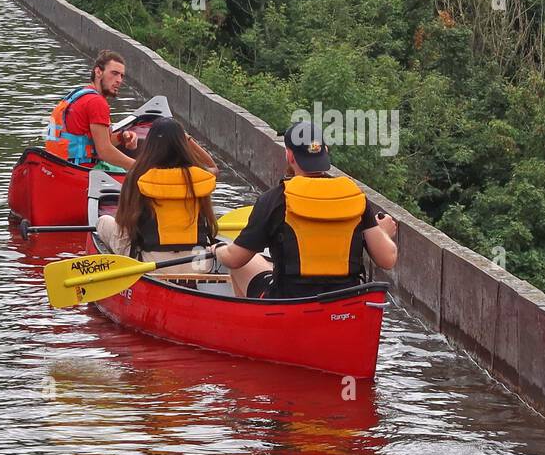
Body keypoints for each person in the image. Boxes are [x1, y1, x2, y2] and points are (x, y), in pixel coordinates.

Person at [214, 121, 399, 298]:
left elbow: (234, 259)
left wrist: (218, 249)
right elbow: (387, 260)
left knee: (246, 264)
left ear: (289, 156)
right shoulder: (355, 197)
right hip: (344, 304)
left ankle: (250, 325)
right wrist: (382, 232)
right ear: (325, 151)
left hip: (289, 305)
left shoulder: (274, 200)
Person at [96, 118, 219, 273]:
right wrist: (187, 138)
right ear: (183, 144)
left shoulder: (138, 175)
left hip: (153, 266)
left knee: (103, 222)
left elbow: (124, 222)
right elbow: (214, 167)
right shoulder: (201, 177)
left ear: (150, 145)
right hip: (198, 264)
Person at [43, 50, 142, 170]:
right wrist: (140, 168)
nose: (119, 80)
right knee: (134, 174)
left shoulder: (79, 94)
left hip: (59, 165)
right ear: (98, 72)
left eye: (121, 76)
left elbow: (96, 143)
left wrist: (121, 137)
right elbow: (104, 151)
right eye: (114, 73)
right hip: (82, 169)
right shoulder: (97, 102)